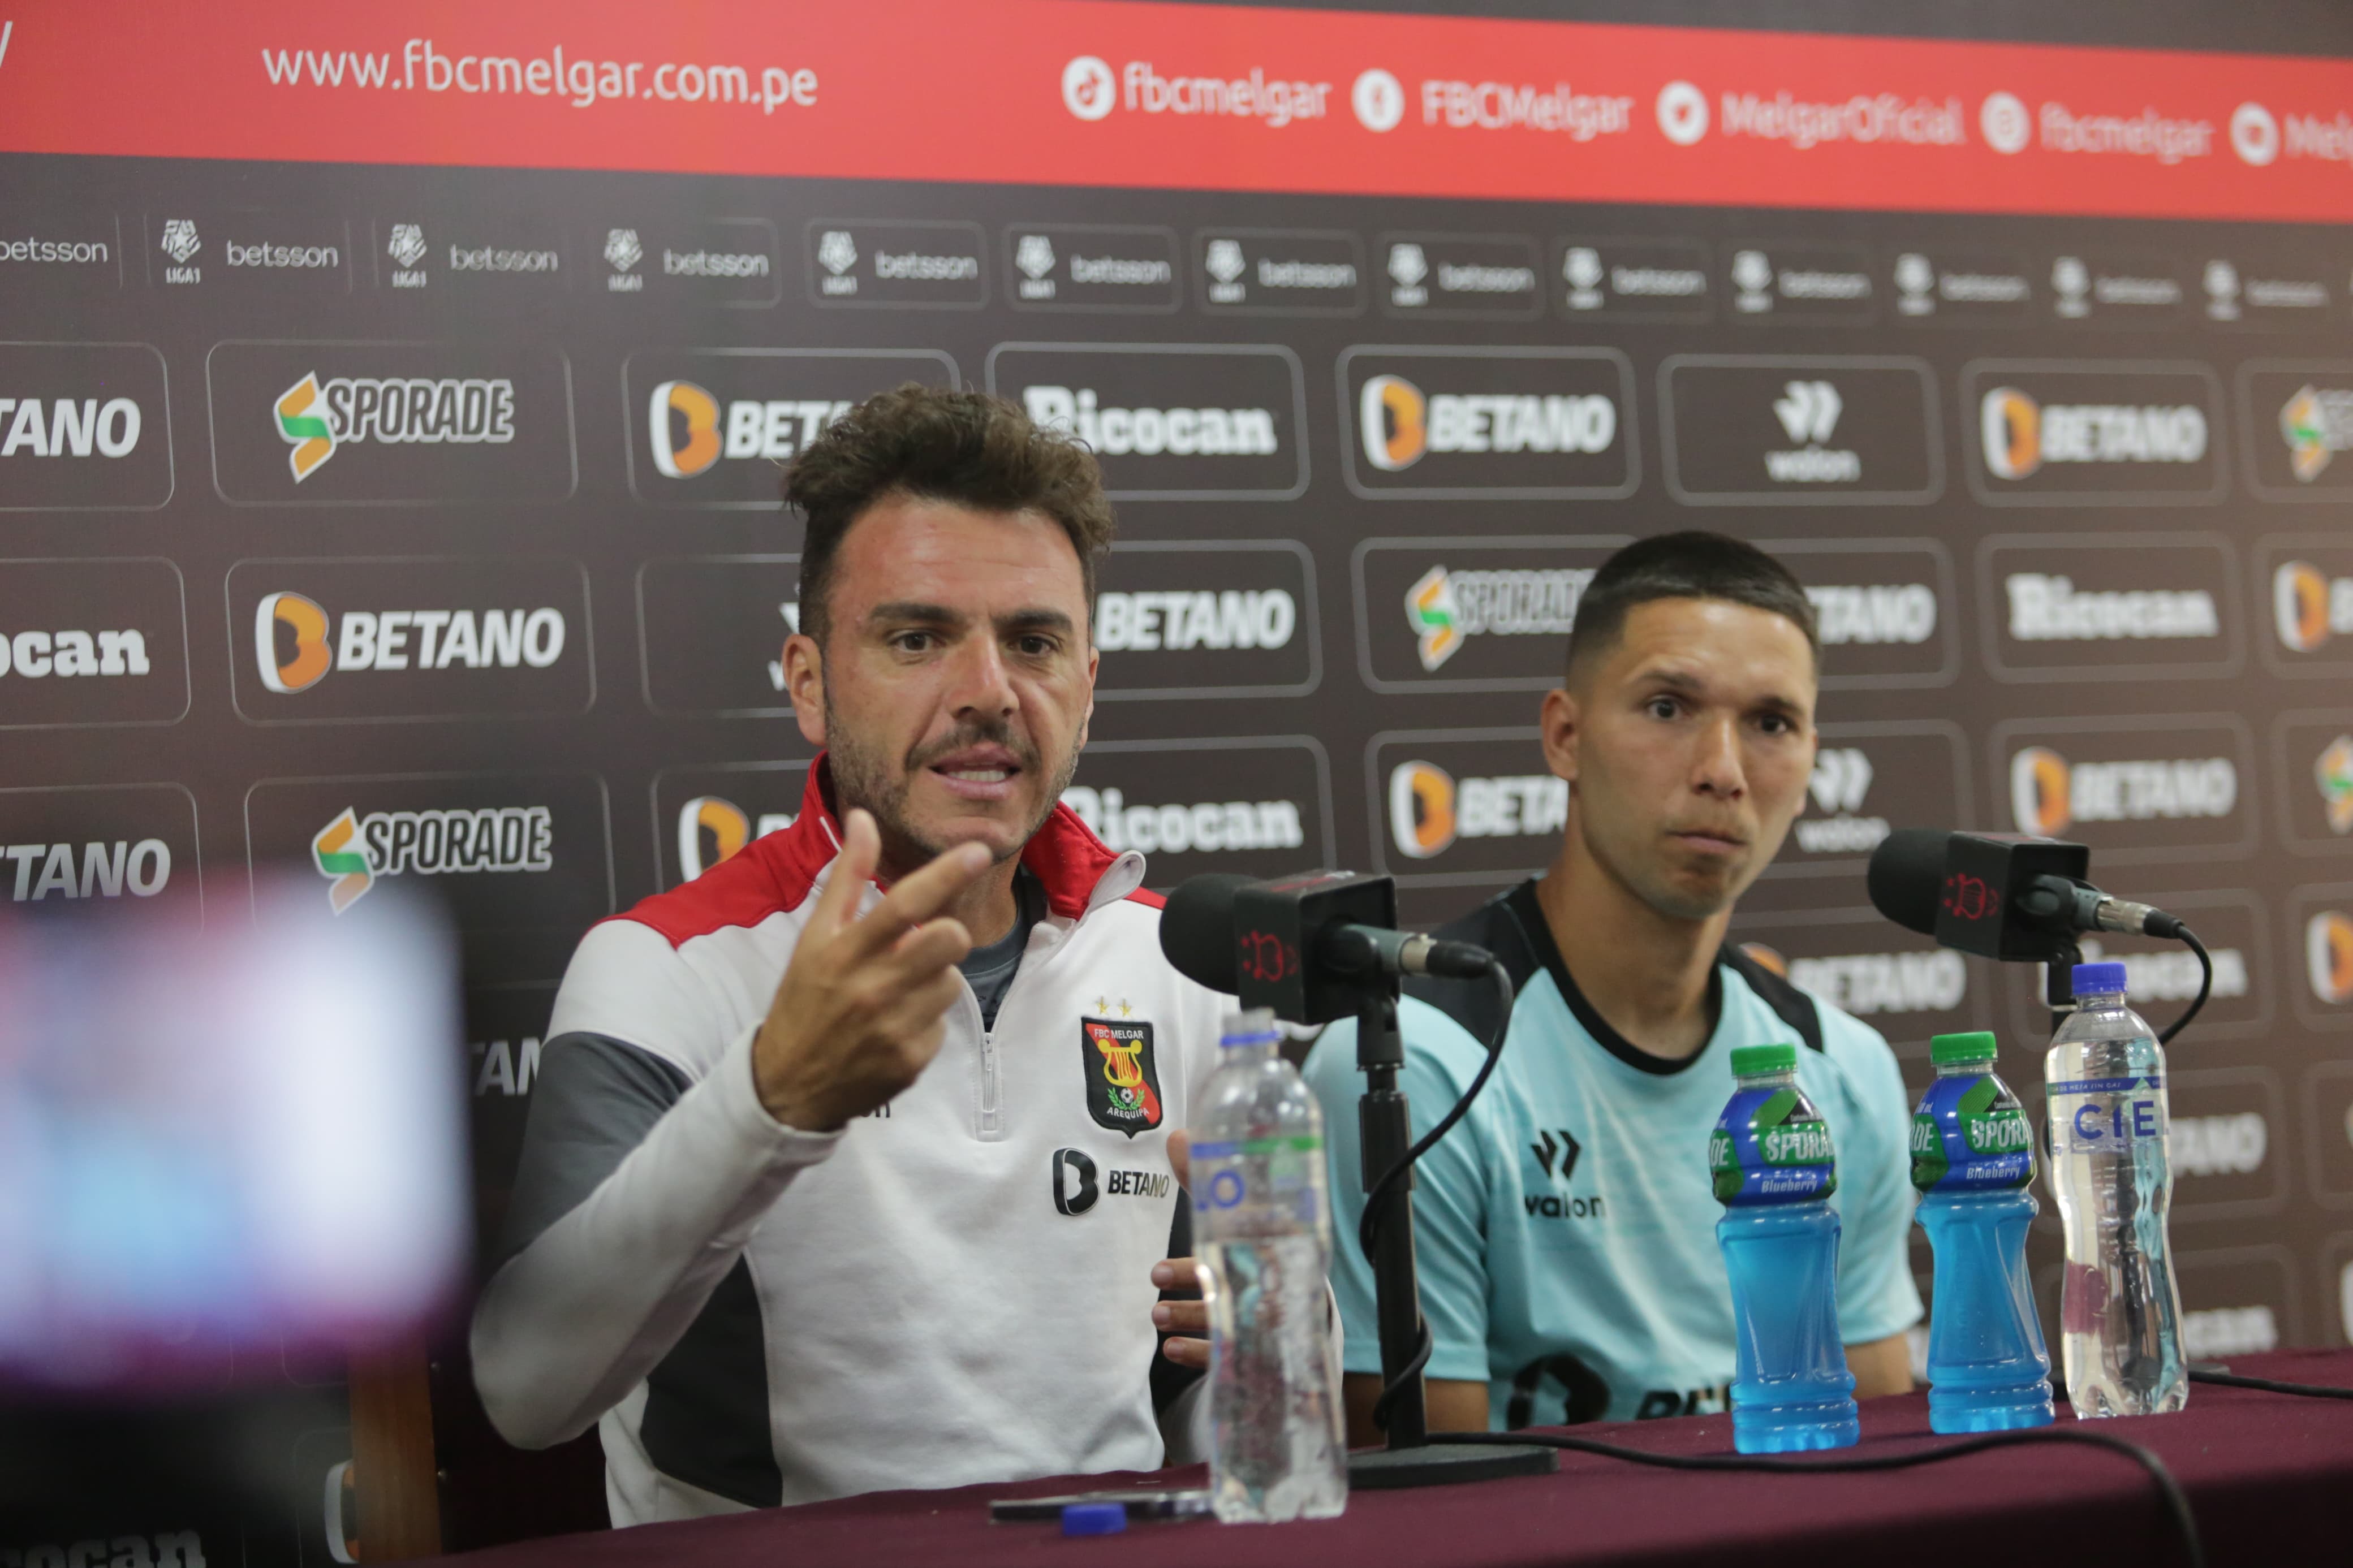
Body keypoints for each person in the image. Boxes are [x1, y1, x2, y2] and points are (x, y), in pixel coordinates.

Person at [472, 385, 1250, 1522]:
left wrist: (1265, 1332)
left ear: (1086, 688)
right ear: (807, 683)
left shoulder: (1182, 961)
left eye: (1034, 641)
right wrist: (769, 1094)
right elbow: (522, 1389)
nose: (987, 692)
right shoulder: (667, 965)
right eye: (917, 637)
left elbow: (1246, 1429)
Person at [1304, 531, 1920, 1445]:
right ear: (1565, 735)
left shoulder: (1844, 1069)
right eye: (1668, 707)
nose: (1723, 769)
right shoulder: (1416, 1065)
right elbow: (1441, 1508)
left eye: (1772, 723)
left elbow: (1883, 1456)